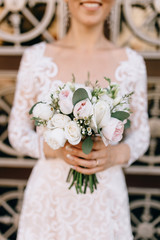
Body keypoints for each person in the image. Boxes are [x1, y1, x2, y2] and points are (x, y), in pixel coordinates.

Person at [8, 0, 150, 239]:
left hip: (105, 201)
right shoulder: (36, 59)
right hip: (50, 201)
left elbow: (142, 134)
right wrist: (57, 150)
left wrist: (113, 155)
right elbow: (17, 132)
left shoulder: (132, 64)